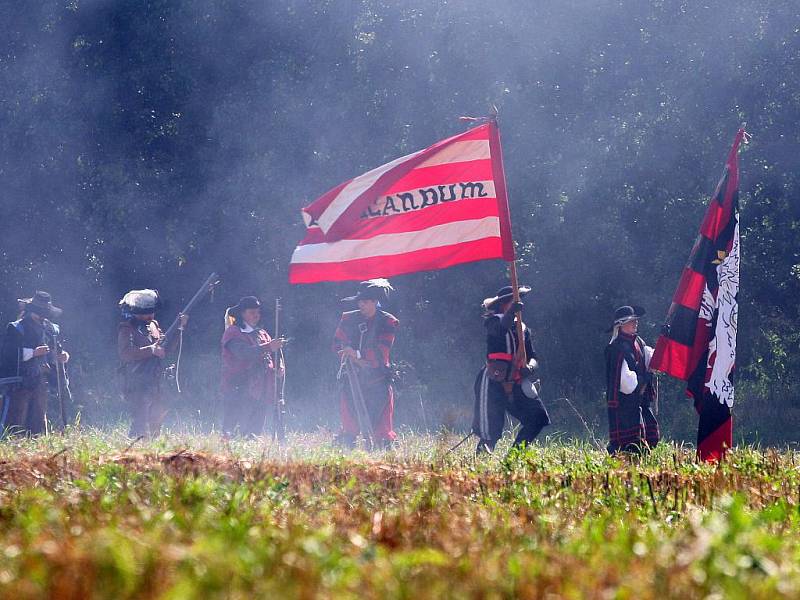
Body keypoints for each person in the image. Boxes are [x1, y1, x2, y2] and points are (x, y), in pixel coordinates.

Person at [473, 285, 550, 454]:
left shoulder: (523, 328)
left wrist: (529, 368)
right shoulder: (493, 322)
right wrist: (510, 313)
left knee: (538, 418)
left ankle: (513, 458)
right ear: (503, 304)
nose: (518, 303)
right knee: (490, 433)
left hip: (517, 381)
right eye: (513, 301)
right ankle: (479, 469)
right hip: (494, 382)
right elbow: (501, 329)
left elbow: (533, 357)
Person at [334, 279, 398, 448]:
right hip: (352, 376)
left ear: (375, 302)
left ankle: (382, 450)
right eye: (360, 301)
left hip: (378, 379)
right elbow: (337, 343)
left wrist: (357, 354)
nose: (361, 305)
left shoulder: (388, 322)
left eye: (365, 301)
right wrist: (347, 352)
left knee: (382, 427)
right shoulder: (348, 319)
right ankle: (347, 447)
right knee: (349, 421)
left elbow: (381, 352)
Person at [117, 289, 187, 438]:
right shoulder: (127, 328)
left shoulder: (153, 325)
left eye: (151, 312)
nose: (150, 315)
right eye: (146, 312)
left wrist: (179, 329)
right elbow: (126, 353)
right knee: (140, 419)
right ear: (136, 312)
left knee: (157, 415)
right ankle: (133, 449)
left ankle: (152, 450)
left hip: (156, 378)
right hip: (137, 379)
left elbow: (166, 349)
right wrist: (151, 350)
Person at [0, 291, 69, 435]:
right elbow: (10, 354)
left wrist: (62, 356)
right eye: (40, 312)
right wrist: (33, 353)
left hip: (41, 381)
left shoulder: (51, 329)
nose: (42, 316)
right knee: (15, 420)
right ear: (32, 311)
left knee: (37, 420)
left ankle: (36, 450)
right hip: (20, 383)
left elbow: (56, 352)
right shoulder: (17, 328)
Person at [220, 296, 284, 436]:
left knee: (255, 430)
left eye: (257, 312)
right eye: (251, 312)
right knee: (234, 429)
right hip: (238, 387)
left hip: (260, 388)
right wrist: (268, 346)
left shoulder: (262, 333)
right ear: (242, 313)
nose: (256, 315)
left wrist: (279, 366)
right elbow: (243, 353)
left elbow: (274, 353)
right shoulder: (233, 332)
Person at [605, 305, 660, 454]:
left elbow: (652, 359)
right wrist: (643, 379)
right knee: (630, 443)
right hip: (625, 404)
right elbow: (625, 383)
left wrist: (664, 342)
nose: (636, 323)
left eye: (636, 320)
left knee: (649, 437)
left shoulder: (638, 342)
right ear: (621, 325)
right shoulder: (616, 348)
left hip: (639, 400)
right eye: (631, 321)